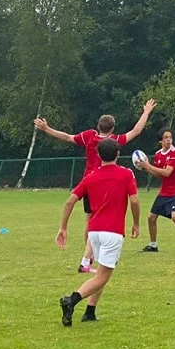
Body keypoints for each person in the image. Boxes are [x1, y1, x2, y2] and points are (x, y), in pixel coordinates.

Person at [34, 99, 155, 273]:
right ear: (112, 128)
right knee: (102, 220)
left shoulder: (89, 136)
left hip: (90, 184)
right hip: (109, 183)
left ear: (98, 126)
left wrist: (47, 129)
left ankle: (87, 260)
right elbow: (136, 131)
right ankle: (88, 260)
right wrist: (146, 112)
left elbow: (67, 137)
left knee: (91, 221)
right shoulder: (114, 140)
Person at [57, 138, 140, 326]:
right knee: (103, 276)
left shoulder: (91, 176)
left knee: (100, 273)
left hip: (93, 232)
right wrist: (136, 223)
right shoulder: (126, 174)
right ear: (118, 154)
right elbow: (134, 201)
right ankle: (71, 300)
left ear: (99, 155)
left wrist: (63, 228)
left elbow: (70, 201)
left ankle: (90, 312)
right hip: (112, 232)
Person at [135, 128, 175, 255]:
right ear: (160, 141)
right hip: (164, 192)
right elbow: (159, 175)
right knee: (151, 218)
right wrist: (145, 168)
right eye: (166, 137)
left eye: (170, 137)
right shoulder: (158, 154)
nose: (169, 140)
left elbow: (167, 173)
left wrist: (148, 166)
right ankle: (153, 245)